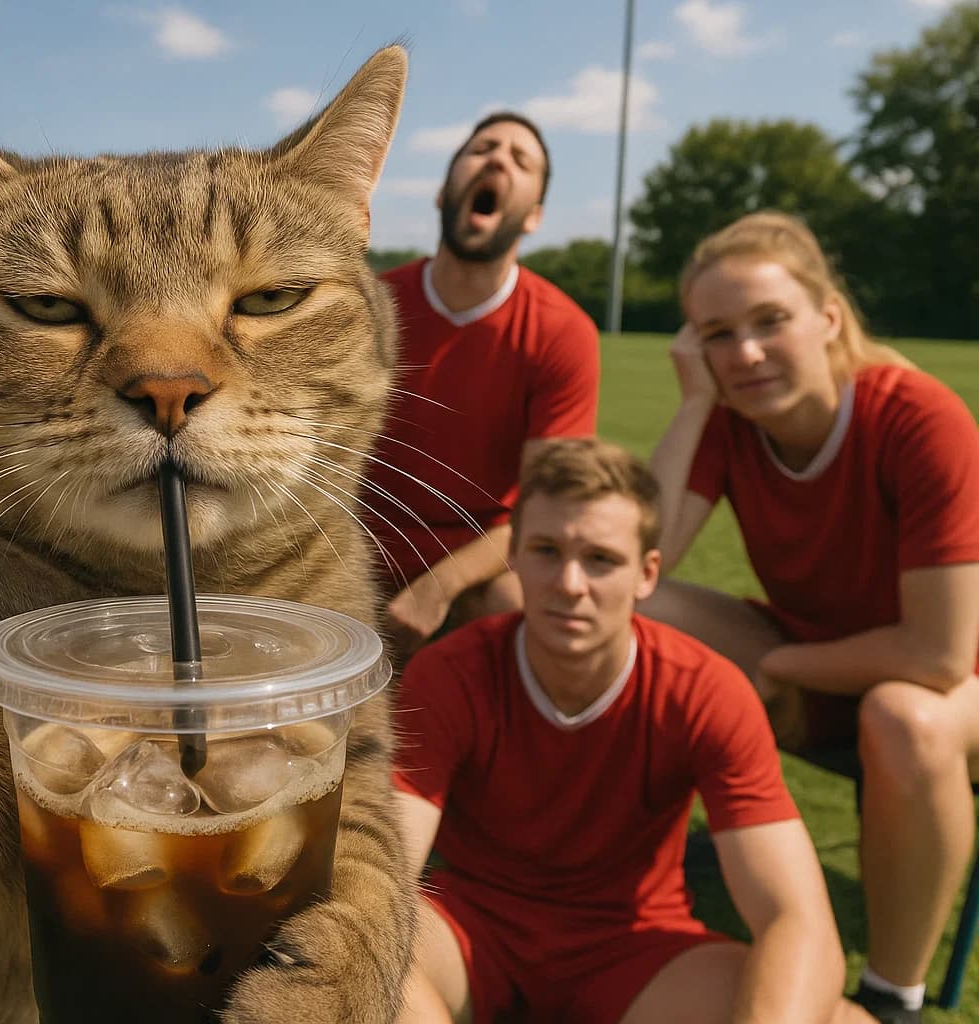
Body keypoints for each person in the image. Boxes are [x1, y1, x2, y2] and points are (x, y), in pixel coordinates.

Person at [393, 437, 866, 1024]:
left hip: (636, 949)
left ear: (646, 575)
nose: (569, 583)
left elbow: (796, 918)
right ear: (513, 554)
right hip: (470, 931)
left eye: (600, 559)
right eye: (546, 550)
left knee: (836, 1015)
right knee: (350, 965)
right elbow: (386, 871)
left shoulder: (705, 689)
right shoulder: (451, 673)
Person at [642, 211, 979, 1024]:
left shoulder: (916, 417)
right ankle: (623, 877)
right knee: (633, 608)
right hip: (827, 644)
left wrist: (779, 670)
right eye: (718, 334)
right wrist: (693, 406)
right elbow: (640, 558)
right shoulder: (732, 421)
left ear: (827, 318)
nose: (746, 354)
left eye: (770, 322)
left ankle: (890, 995)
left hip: (953, 674)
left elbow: (939, 656)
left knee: (907, 718)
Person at [372, 111, 600, 657]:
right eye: (482, 149)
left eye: (522, 160)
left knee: (524, 611)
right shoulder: (372, 303)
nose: (498, 158)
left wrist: (438, 587)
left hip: (481, 560)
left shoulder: (562, 331)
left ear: (534, 217)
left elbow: (549, 506)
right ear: (441, 192)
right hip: (354, 543)